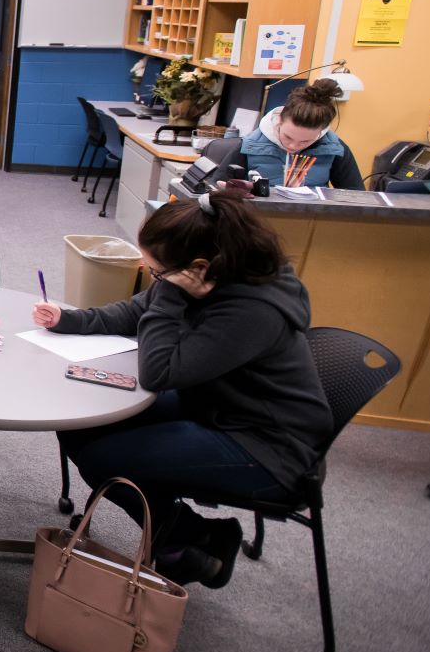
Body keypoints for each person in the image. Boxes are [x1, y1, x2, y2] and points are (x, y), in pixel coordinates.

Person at [31, 189, 329, 587]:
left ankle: (194, 538)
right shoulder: (207, 273)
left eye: (156, 271)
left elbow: (157, 371)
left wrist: (168, 292)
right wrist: (73, 320)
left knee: (105, 461)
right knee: (78, 422)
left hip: (267, 446)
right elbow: (140, 309)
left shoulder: (253, 311)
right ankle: (184, 538)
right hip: (216, 405)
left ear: (199, 266)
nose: (151, 275)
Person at [240, 78, 361, 188]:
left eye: (306, 141)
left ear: (321, 132)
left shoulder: (335, 149)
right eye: (288, 137)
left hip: (314, 211)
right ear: (279, 120)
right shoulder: (249, 145)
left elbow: (357, 198)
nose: (293, 146)